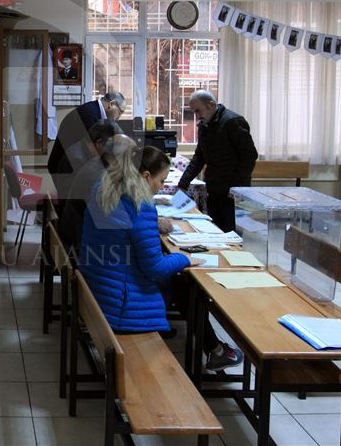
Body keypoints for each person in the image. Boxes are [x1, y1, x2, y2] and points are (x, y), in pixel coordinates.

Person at [79, 145, 243, 371]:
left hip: (99, 288)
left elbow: (123, 231)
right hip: (121, 305)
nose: (162, 187)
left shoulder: (103, 189)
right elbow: (154, 268)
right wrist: (185, 259)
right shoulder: (141, 205)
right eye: (162, 181)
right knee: (184, 286)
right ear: (146, 176)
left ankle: (215, 349)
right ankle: (216, 350)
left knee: (178, 282)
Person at [178, 90, 257, 233]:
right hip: (214, 188)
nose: (196, 116)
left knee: (232, 232)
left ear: (211, 105)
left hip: (232, 190)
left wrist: (236, 187)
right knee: (216, 230)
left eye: (198, 111)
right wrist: (184, 182)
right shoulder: (204, 125)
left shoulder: (232, 122)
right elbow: (199, 157)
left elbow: (249, 155)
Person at [58, 130, 130, 250]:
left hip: (76, 230)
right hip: (81, 242)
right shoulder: (99, 176)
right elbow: (114, 215)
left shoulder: (98, 162)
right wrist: (150, 224)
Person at [47, 92, 126, 200]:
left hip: (70, 163)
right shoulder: (90, 115)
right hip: (66, 166)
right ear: (111, 104)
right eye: (120, 112)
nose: (119, 117)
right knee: (72, 207)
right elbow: (94, 152)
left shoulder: (93, 110)